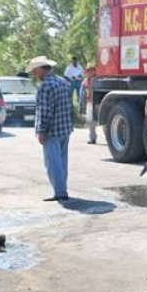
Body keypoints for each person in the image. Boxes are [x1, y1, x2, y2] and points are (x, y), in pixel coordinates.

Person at [27, 55, 73, 202]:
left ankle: (60, 193)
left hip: (52, 131)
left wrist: (41, 131)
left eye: (35, 70)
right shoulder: (63, 82)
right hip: (65, 128)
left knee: (53, 164)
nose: (35, 74)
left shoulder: (46, 86)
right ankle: (62, 189)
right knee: (62, 162)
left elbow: (44, 112)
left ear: (41, 69)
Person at [82, 66, 98, 144]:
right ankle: (92, 138)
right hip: (89, 102)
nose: (89, 73)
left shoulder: (97, 80)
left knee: (98, 121)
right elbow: (83, 93)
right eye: (87, 71)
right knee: (90, 121)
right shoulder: (85, 81)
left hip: (97, 102)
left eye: (91, 71)